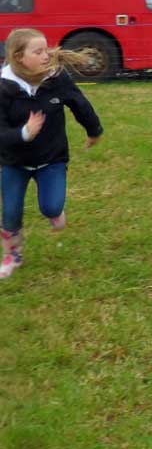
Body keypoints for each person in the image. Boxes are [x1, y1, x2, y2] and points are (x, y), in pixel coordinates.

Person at [0, 30, 103, 279]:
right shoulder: (4, 88)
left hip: (52, 159)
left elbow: (80, 103)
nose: (47, 56)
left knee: (51, 208)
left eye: (46, 49)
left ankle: (55, 212)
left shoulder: (56, 78)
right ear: (19, 57)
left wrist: (94, 130)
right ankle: (13, 255)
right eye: (38, 52)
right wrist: (24, 133)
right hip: (13, 162)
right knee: (11, 212)